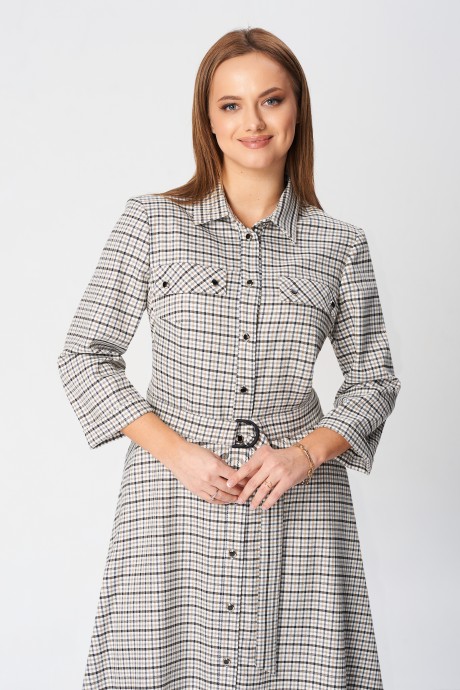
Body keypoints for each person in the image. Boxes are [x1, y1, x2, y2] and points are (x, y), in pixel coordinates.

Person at [57, 26, 401, 690]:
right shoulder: (150, 223)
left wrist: (304, 455)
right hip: (172, 502)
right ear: (208, 121)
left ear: (297, 110)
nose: (253, 122)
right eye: (231, 105)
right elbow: (85, 355)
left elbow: (374, 379)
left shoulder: (340, 245)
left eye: (271, 100)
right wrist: (178, 453)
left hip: (299, 506)